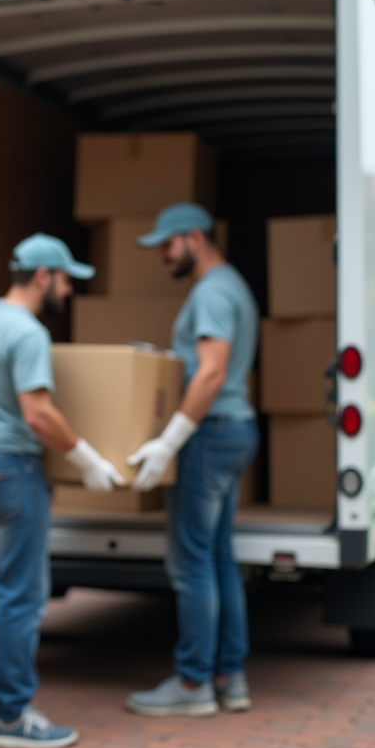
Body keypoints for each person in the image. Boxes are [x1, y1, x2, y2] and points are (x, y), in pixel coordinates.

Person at [0, 233, 124, 748]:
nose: (69, 290)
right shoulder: (28, 332)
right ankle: (14, 716)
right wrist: (87, 458)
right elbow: (37, 412)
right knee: (21, 595)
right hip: (11, 471)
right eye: (66, 280)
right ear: (43, 276)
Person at [124, 203, 259, 718]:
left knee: (191, 562)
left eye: (167, 244)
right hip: (232, 430)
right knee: (219, 556)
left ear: (196, 238)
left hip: (210, 434)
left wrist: (170, 440)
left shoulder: (212, 292)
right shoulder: (233, 287)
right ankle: (230, 675)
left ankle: (193, 683)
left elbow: (211, 372)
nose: (162, 254)